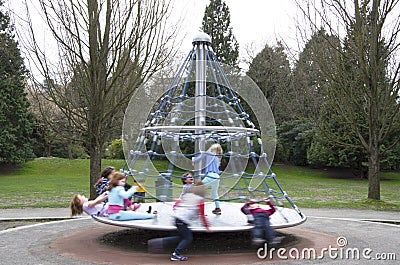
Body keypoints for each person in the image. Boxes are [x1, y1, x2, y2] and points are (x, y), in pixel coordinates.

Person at [150, 182, 211, 261]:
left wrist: (179, 212)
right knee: (188, 238)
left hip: (177, 218)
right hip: (182, 220)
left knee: (181, 237)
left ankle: (159, 242)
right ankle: (176, 254)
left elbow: (177, 204)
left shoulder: (187, 196)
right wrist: (207, 227)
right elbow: (202, 215)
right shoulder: (200, 200)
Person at [192, 143, 223, 215]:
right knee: (214, 193)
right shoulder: (217, 158)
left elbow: (198, 158)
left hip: (210, 175)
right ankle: (218, 208)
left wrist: (193, 159)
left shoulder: (208, 154)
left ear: (212, 149)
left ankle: (199, 210)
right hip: (217, 177)